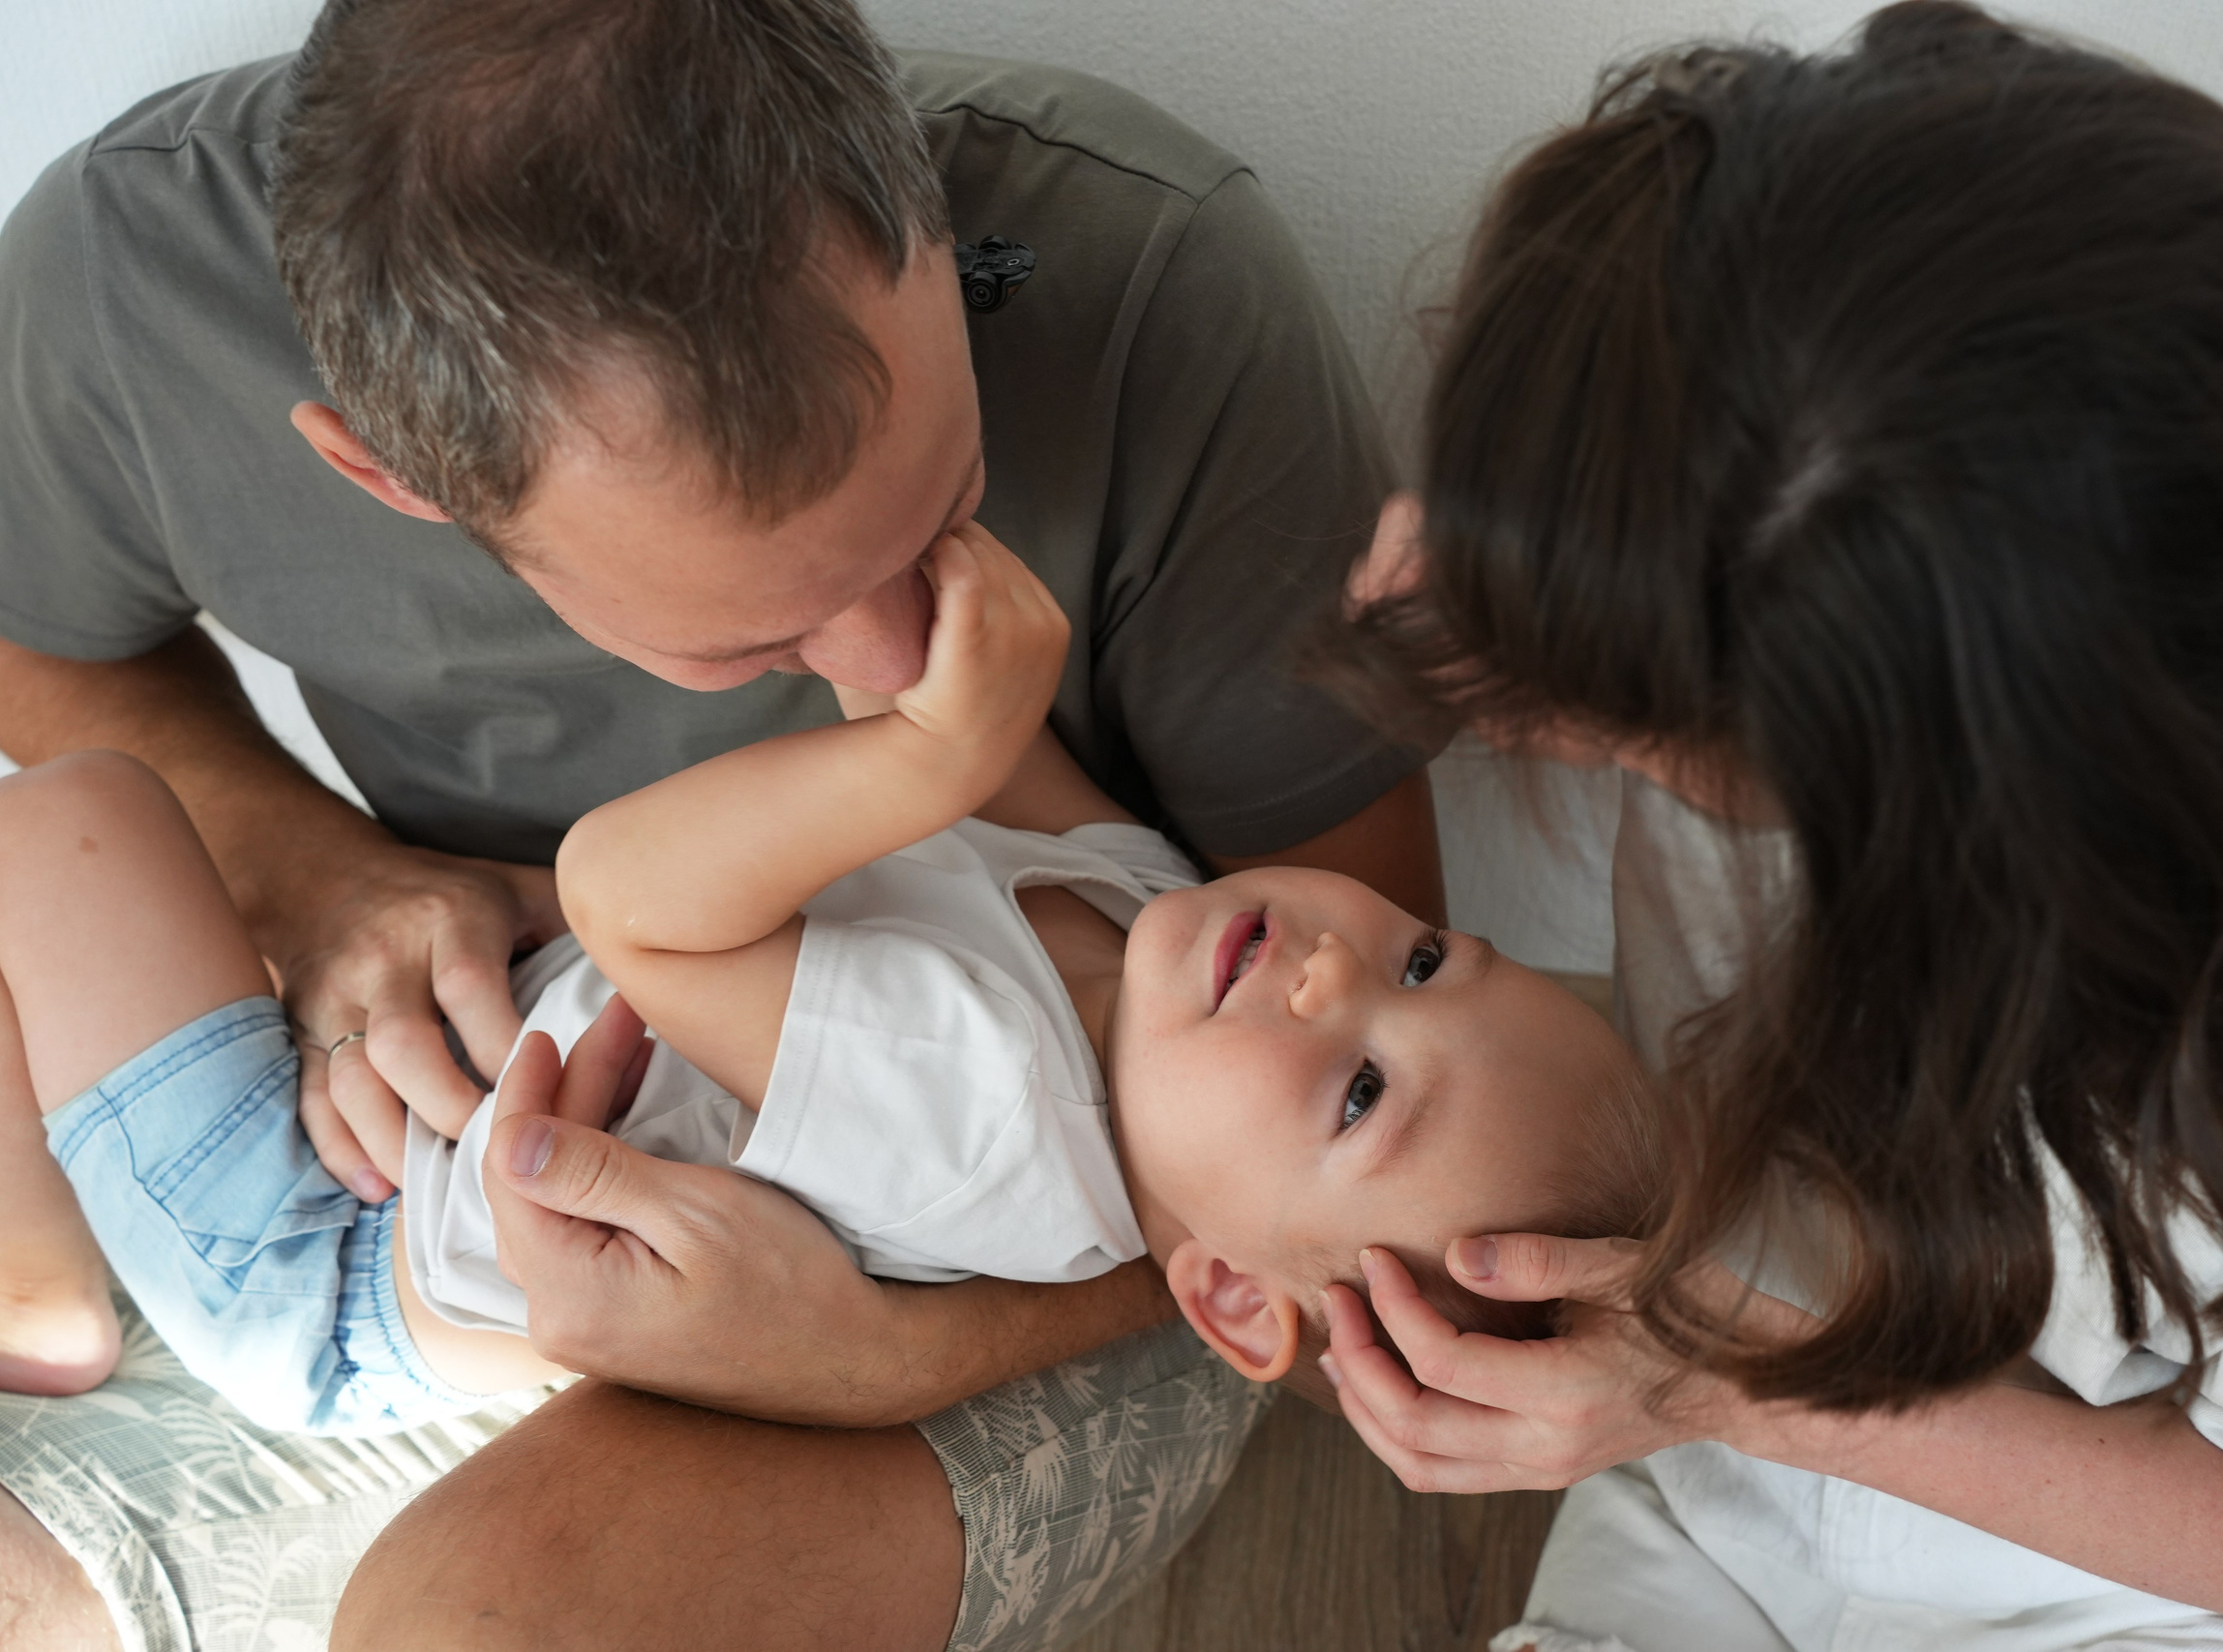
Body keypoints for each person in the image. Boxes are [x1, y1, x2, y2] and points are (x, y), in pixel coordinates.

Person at [0, 0, 1441, 1645]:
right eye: (749, 644)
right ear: (392, 473)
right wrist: (313, 870)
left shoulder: (1157, 281)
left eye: (948, 515)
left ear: (924, 206)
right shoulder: (126, 281)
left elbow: (1362, 1186)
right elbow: (33, 643)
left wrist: (897, 1354)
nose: (901, 679)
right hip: (456, 1166)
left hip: (1095, 1253)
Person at [1309, 5, 2223, 1649]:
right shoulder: (1887, 459)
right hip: (1731, 1434)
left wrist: (1739, 1394)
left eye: (1636, 733)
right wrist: (1533, 565)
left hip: (2160, 1571)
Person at [0, 523, 1643, 1437]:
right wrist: (918, 615)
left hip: (329, 1254)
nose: (1340, 966)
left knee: (66, 824)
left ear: (1222, 1291)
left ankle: (44, 1294)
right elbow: (929, 723)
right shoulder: (1159, 945)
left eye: (1361, 1087)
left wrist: (940, 743)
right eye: (1428, 955)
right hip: (435, 1106)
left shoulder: (994, 1112)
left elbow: (628, 896)